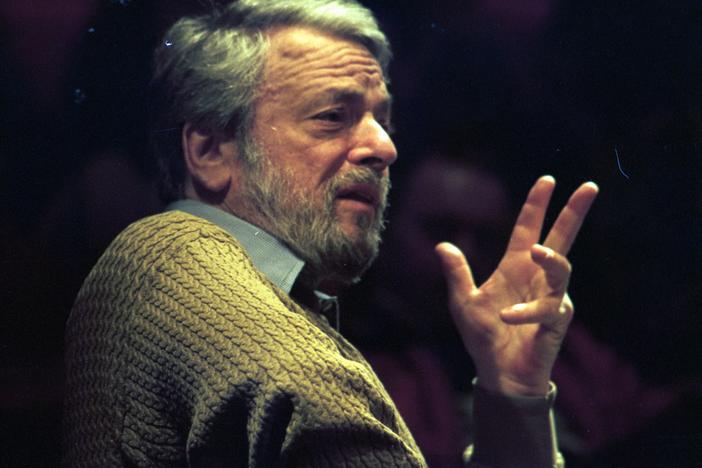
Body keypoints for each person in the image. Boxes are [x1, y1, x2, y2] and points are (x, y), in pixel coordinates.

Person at [63, 1, 598, 467]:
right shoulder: (194, 282)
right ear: (208, 151)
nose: (384, 147)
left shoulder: (158, 263)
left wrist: (511, 395)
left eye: (382, 120)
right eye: (332, 116)